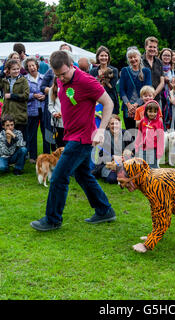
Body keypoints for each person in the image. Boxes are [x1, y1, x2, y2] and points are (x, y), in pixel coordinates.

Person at [30, 49, 115, 231]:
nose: (61, 78)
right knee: (83, 175)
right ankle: (104, 210)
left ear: (71, 66)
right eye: (57, 75)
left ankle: (52, 219)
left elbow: (108, 103)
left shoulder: (86, 80)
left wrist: (100, 130)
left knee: (59, 176)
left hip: (82, 137)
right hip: (71, 135)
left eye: (63, 74)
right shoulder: (61, 79)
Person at [0, 59, 30, 141]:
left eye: (17, 69)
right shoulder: (5, 80)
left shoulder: (23, 80)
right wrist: (2, 74)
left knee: (20, 140)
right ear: (8, 70)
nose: (16, 71)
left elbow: (26, 95)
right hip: (7, 113)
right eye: (13, 69)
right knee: (9, 139)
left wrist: (12, 96)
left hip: (19, 114)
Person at [93, 114, 133, 184]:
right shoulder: (104, 136)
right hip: (109, 164)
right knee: (112, 179)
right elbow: (101, 157)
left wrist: (129, 151)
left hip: (125, 162)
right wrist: (112, 157)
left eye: (116, 123)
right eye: (112, 124)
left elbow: (135, 149)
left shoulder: (126, 133)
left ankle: (125, 176)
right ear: (108, 125)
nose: (114, 126)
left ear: (120, 124)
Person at [119, 47, 152, 130]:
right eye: (130, 57)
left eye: (135, 57)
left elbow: (147, 90)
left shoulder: (146, 71)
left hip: (142, 106)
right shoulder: (125, 70)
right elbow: (121, 90)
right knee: (129, 133)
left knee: (142, 131)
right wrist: (129, 106)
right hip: (128, 108)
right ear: (128, 59)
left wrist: (136, 105)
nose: (133, 59)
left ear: (139, 57)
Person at [24, 57, 46, 164]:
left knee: (45, 132)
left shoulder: (44, 78)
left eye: (33, 65)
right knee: (32, 134)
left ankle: (46, 155)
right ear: (27, 68)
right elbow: (23, 95)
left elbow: (50, 90)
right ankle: (32, 156)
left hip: (43, 108)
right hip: (31, 109)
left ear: (37, 66)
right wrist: (33, 95)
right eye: (29, 66)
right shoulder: (24, 79)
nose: (32, 68)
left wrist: (45, 96)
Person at [90, 46, 121, 115]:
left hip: (110, 99)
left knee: (111, 122)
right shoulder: (93, 71)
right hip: (97, 101)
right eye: (101, 56)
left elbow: (111, 86)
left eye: (106, 56)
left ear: (108, 57)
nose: (104, 58)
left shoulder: (114, 70)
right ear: (98, 57)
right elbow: (91, 86)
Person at [135, 100, 165, 169]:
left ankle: (154, 178)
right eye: (150, 111)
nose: (152, 114)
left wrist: (159, 152)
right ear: (146, 112)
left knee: (152, 167)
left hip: (153, 149)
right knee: (142, 165)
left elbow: (161, 138)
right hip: (142, 147)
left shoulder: (159, 123)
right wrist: (137, 145)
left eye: (155, 112)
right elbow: (139, 134)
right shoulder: (143, 121)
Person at [142, 37, 165, 104]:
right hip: (142, 99)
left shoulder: (159, 62)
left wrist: (153, 94)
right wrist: (147, 96)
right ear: (145, 47)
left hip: (156, 98)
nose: (152, 49)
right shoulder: (139, 61)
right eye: (150, 47)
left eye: (154, 47)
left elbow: (162, 82)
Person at [47, 76, 65, 148]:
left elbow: (74, 103)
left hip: (68, 122)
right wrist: (54, 113)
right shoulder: (52, 90)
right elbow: (50, 105)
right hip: (57, 122)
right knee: (58, 143)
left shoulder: (69, 89)